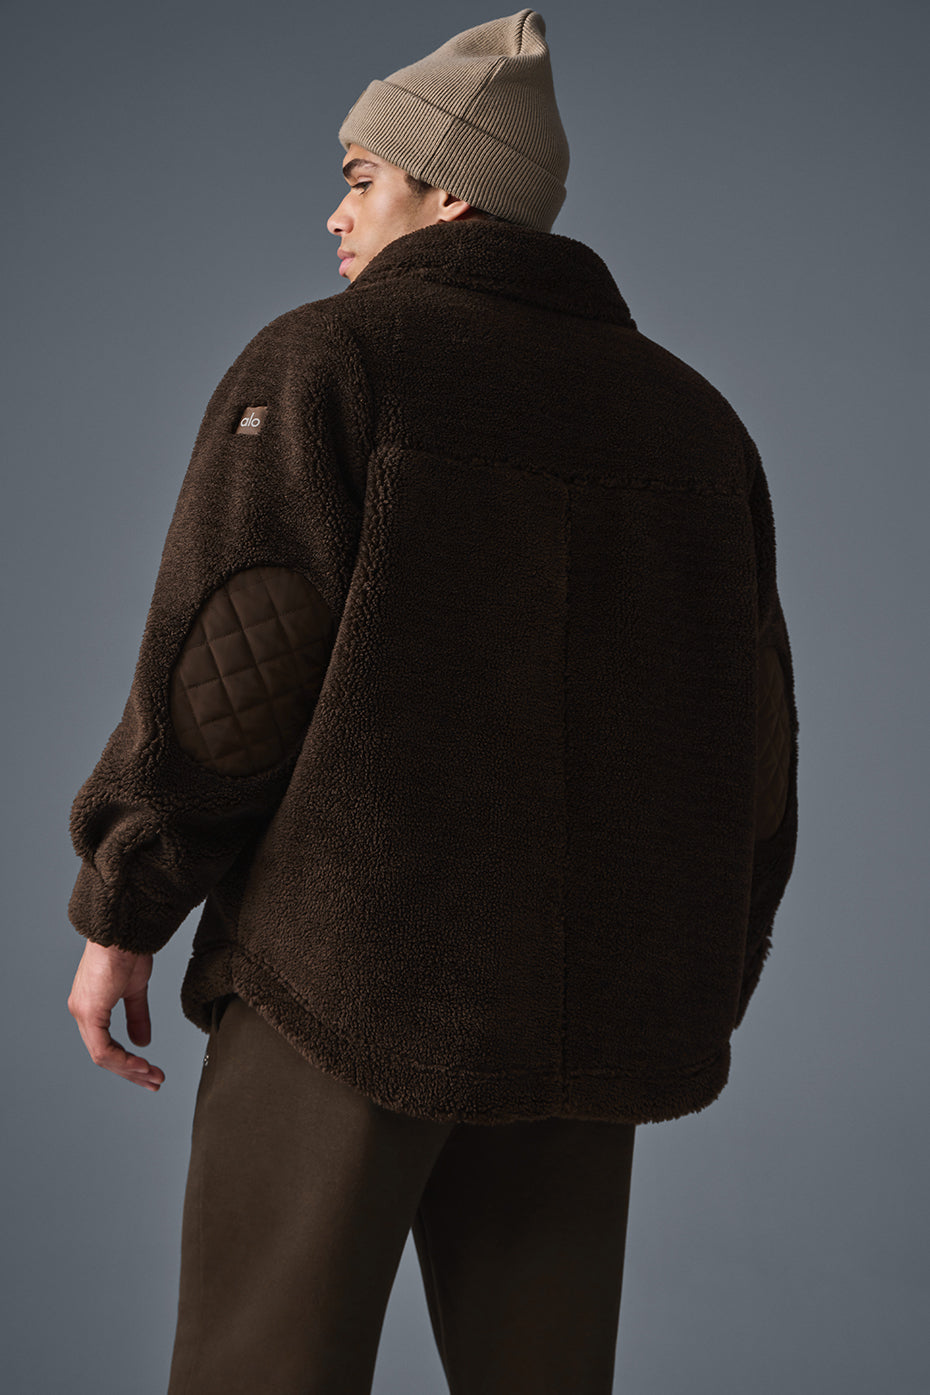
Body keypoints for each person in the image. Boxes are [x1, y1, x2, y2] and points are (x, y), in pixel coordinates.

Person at [65, 10, 799, 1394]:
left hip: (344, 978)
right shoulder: (695, 423)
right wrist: (692, 970)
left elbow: (233, 678)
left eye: (360, 178)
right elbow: (752, 743)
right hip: (583, 1019)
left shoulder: (332, 361)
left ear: (450, 190)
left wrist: (126, 907)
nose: (334, 212)